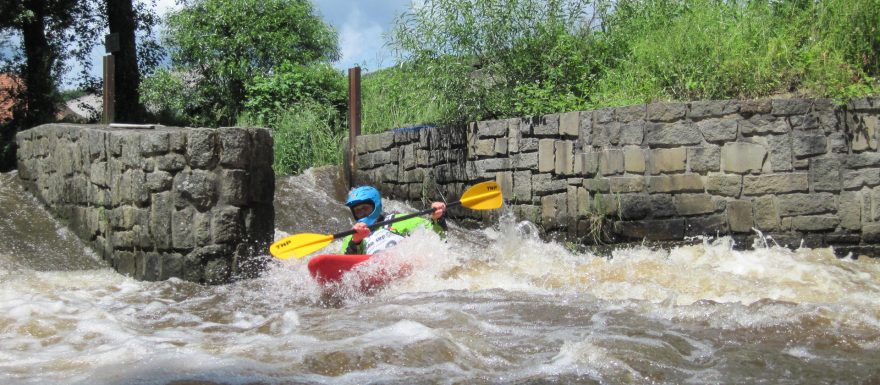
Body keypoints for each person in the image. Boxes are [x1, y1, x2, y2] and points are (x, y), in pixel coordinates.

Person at [342, 185, 447, 255]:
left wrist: (437, 218)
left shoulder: (400, 221)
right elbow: (344, 266)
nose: (361, 214)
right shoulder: (351, 237)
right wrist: (355, 243)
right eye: (357, 211)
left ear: (375, 205)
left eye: (365, 208)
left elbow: (438, 238)